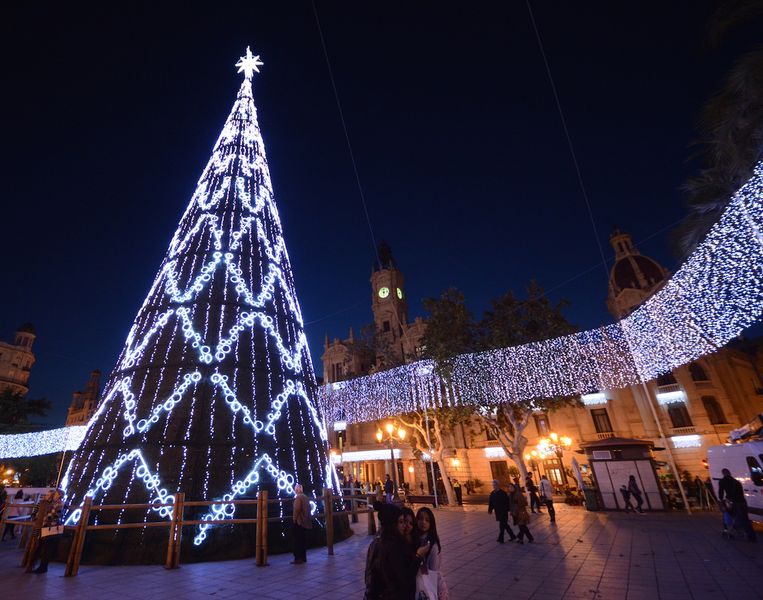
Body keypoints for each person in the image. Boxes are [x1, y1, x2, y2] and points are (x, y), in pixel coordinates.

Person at [364, 501, 430, 599]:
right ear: (392, 524)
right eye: (401, 522)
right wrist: (418, 556)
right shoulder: (393, 547)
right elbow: (404, 578)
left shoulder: (377, 542)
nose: (404, 526)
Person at [26, 488, 63, 574]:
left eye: (55, 494)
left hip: (49, 528)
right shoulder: (46, 503)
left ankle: (42, 567)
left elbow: (55, 515)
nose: (53, 495)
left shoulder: (58, 503)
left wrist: (44, 519)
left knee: (46, 547)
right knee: (40, 546)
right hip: (43, 527)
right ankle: (35, 566)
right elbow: (37, 511)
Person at [416, 507, 450, 600]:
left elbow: (433, 571)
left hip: (429, 581)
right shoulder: (414, 539)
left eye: (427, 520)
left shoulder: (432, 545)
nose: (423, 522)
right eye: (420, 519)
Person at [718, 468, 756, 542]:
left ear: (723, 473)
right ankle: (751, 536)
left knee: (732, 518)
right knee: (745, 519)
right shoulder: (736, 482)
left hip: (733, 502)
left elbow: (721, 493)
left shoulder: (722, 481)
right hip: (742, 502)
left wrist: (722, 503)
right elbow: (741, 494)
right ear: (729, 473)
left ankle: (734, 532)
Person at [291, 484, 312, 564]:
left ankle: (298, 558)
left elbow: (297, 509)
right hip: (305, 521)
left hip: (299, 521)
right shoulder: (305, 497)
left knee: (297, 540)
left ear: (297, 490)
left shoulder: (298, 498)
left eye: (295, 489)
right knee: (302, 540)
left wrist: (294, 518)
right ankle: (303, 557)